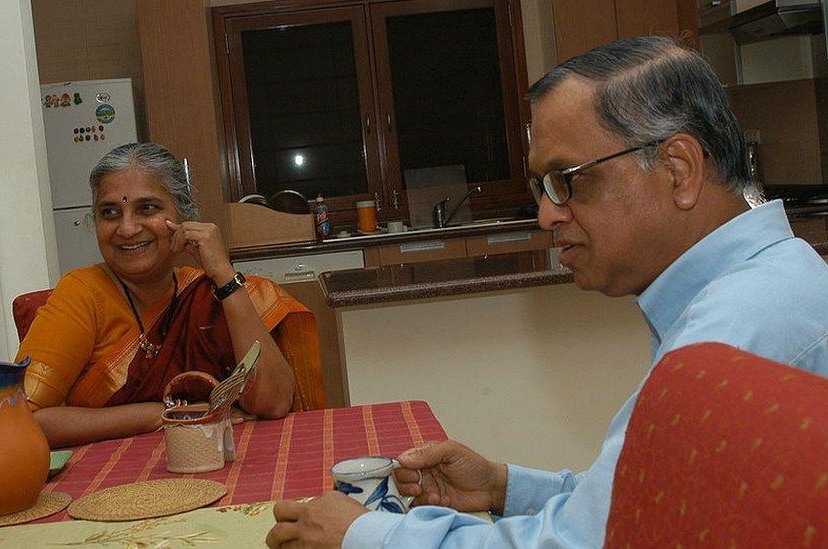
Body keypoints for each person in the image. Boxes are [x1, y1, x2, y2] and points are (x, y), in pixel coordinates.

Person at [266, 36, 828, 548]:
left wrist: (364, 535)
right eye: (542, 186)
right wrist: (506, 487)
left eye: (569, 179)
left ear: (678, 169)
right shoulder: (756, 286)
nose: (546, 214)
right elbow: (650, 497)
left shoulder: (737, 328)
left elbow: (587, 543)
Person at [16, 142, 299, 448]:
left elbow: (273, 402)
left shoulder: (208, 293)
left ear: (184, 216)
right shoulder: (82, 294)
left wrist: (223, 274)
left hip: (218, 465)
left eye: (146, 208)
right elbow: (21, 419)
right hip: (110, 482)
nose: (126, 228)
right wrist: (160, 414)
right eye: (110, 212)